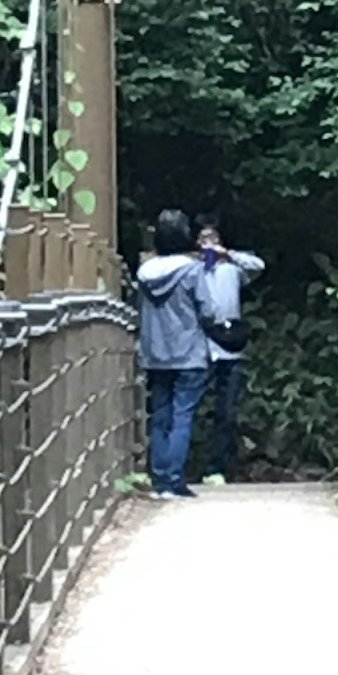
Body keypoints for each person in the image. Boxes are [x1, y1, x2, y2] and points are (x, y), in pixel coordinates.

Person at [132, 208, 217, 496]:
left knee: (160, 415)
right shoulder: (192, 270)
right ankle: (174, 479)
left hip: (154, 352)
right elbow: (208, 310)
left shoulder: (144, 272)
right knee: (182, 415)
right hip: (188, 351)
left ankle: (158, 480)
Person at [192, 215, 263, 480]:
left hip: (229, 345)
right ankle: (182, 463)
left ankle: (217, 467)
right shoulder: (192, 270)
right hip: (200, 345)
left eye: (213, 239)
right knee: (190, 406)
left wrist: (227, 254)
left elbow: (258, 266)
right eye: (203, 240)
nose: (208, 244)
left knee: (227, 411)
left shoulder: (232, 269)